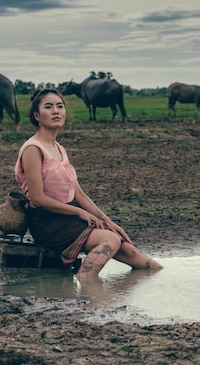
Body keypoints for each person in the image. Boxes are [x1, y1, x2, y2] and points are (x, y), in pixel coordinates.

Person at [15, 88, 162, 279]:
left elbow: (79, 195)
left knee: (135, 255)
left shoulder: (59, 148)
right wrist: (79, 212)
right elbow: (38, 198)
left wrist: (109, 222)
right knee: (110, 240)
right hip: (48, 222)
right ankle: (85, 283)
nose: (56, 111)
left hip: (70, 218)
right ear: (37, 115)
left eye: (60, 106)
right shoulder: (33, 149)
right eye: (48, 107)